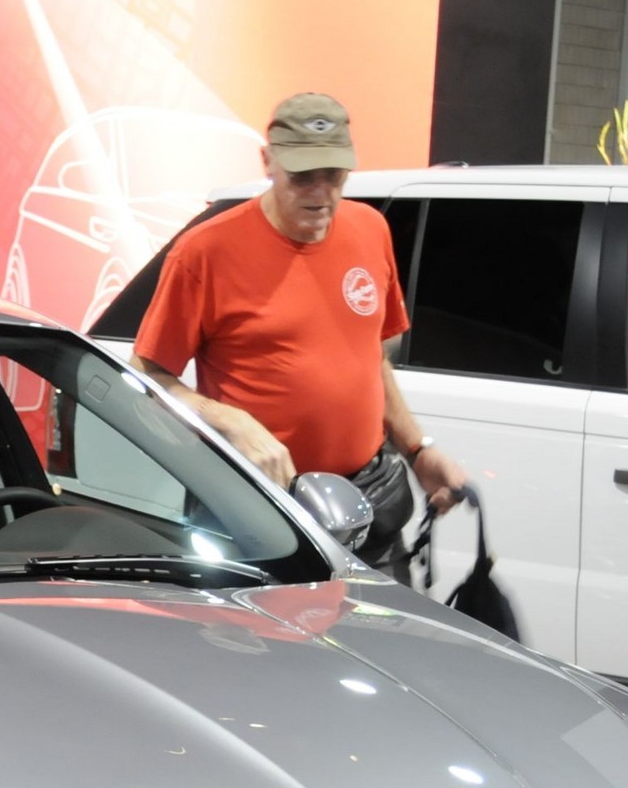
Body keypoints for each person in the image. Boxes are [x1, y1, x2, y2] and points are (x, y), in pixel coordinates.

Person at [131, 92, 467, 571]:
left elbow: (371, 357)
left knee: (380, 644)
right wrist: (233, 421)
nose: (320, 193)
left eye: (333, 176)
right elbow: (146, 377)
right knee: (256, 646)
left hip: (367, 507)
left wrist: (418, 449)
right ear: (268, 162)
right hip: (253, 507)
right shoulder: (206, 252)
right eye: (303, 177)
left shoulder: (370, 230)